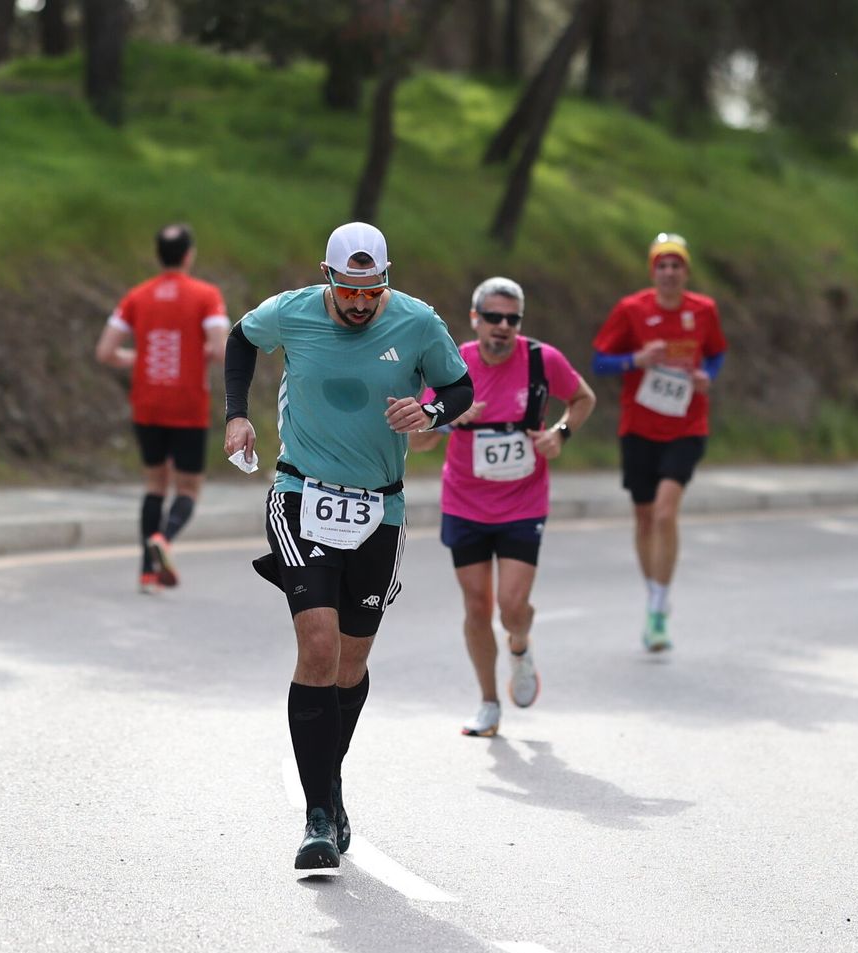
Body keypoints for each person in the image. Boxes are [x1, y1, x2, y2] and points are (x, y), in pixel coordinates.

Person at [223, 221, 473, 871]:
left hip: (378, 508)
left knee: (350, 667)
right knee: (320, 646)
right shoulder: (294, 311)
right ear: (329, 278)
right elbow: (241, 340)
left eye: (372, 291)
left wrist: (433, 415)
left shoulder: (418, 323)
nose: (361, 303)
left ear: (384, 280)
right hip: (301, 496)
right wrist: (237, 413)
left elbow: (459, 387)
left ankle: (328, 793)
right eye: (349, 291)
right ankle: (318, 816)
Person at [410, 276, 595, 738]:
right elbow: (419, 442)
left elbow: (583, 398)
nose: (503, 326)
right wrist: (449, 419)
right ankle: (489, 703)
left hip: (523, 502)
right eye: (493, 317)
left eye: (512, 319)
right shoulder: (453, 365)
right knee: (477, 607)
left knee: (512, 605)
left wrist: (561, 433)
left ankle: (520, 643)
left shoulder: (541, 360)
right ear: (475, 320)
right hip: (465, 502)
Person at [591, 233, 729, 653]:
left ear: (686, 272)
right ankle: (653, 591)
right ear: (654, 272)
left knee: (666, 513)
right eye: (662, 265)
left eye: (677, 265)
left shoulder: (703, 310)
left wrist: (708, 376)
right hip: (639, 426)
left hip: (687, 426)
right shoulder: (632, 309)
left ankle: (658, 604)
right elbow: (599, 360)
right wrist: (635, 360)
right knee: (645, 516)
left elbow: (717, 353)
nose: (670, 272)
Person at [95, 224, 230, 593]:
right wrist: (197, 353)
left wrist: (138, 358)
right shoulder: (206, 296)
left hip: (147, 402)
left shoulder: (137, 297)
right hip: (187, 403)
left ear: (159, 255)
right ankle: (165, 539)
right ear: (189, 255)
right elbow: (220, 350)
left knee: (155, 483)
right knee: (188, 488)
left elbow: (105, 352)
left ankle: (146, 572)